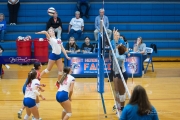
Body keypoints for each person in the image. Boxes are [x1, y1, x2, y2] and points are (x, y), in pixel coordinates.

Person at [110, 29, 128, 118]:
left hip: (121, 73)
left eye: (118, 35)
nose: (117, 36)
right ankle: (118, 107)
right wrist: (114, 38)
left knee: (122, 94)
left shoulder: (122, 54)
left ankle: (122, 109)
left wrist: (116, 40)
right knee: (116, 91)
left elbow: (117, 54)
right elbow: (113, 47)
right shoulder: (113, 42)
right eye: (116, 35)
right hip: (115, 71)